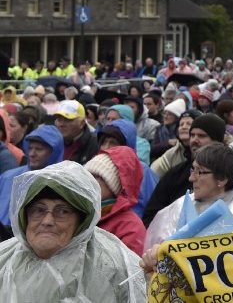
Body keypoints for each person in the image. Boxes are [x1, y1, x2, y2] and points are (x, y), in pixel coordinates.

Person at [0, 161, 145, 301]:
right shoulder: (4, 258)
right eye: (38, 210)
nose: (47, 221)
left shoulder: (113, 266)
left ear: (81, 222)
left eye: (62, 211)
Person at [145, 142, 233, 249]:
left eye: (199, 172)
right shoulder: (181, 205)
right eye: (192, 170)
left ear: (222, 179)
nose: (191, 178)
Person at [85, 146, 145, 254]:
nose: (91, 181)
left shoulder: (131, 227)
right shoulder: (79, 212)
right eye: (88, 175)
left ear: (114, 186)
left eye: (99, 177)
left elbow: (129, 268)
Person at [0, 125, 64, 225]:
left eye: (38, 149)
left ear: (53, 152)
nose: (32, 154)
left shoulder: (62, 183)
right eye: (30, 148)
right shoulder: (8, 177)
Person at [54, 100, 99, 164]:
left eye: (67, 120)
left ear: (82, 123)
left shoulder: (95, 144)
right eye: (59, 119)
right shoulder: (52, 142)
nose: (61, 124)